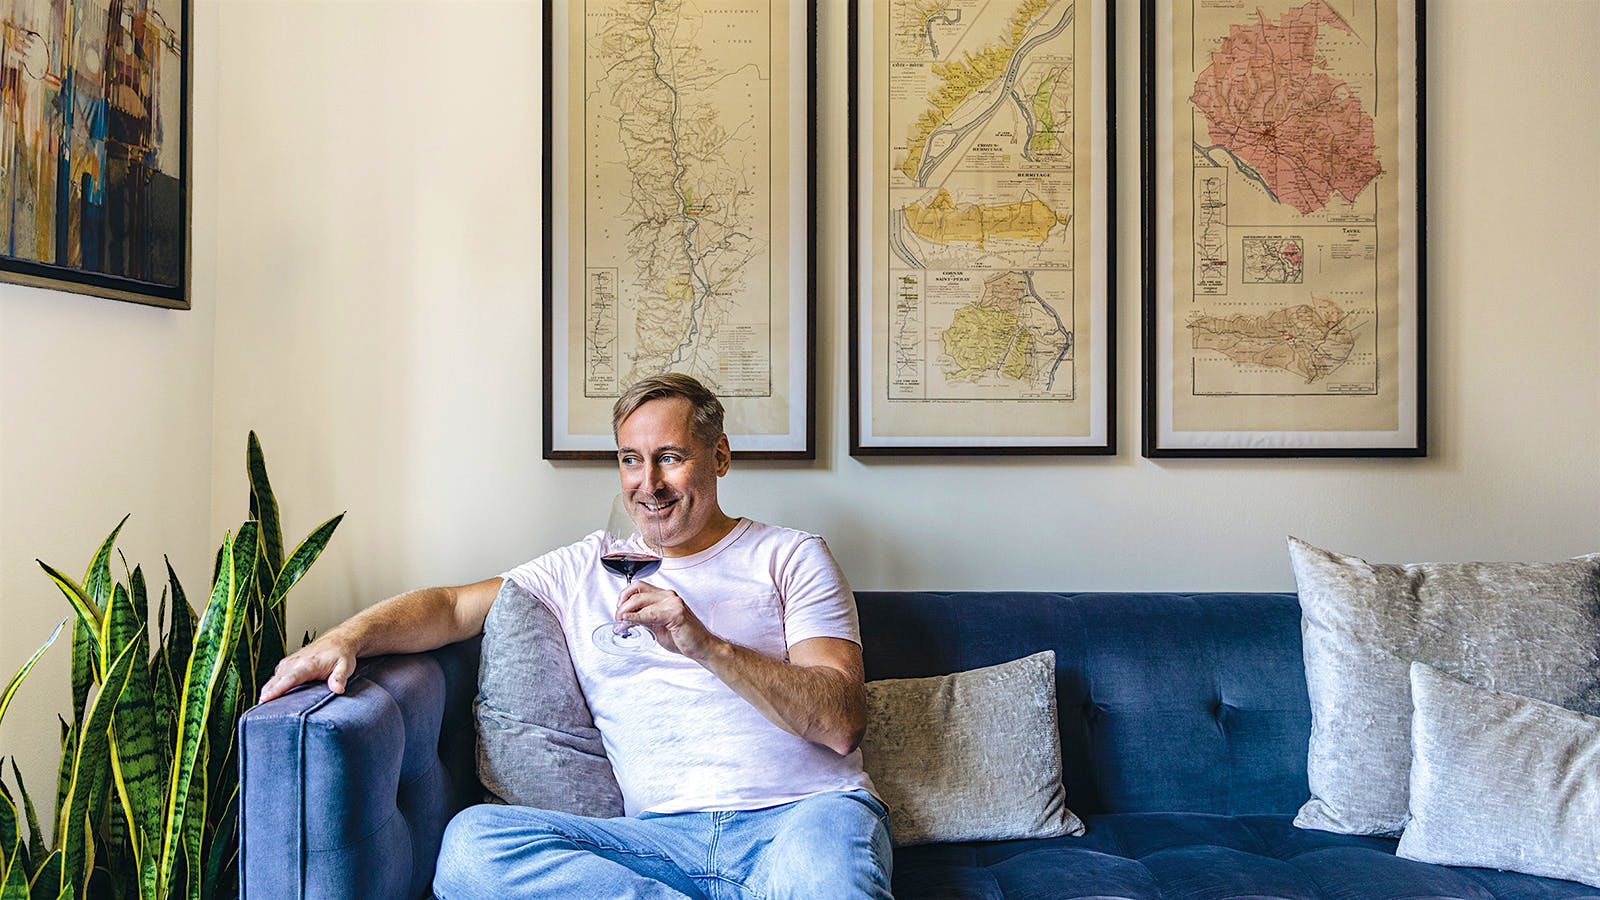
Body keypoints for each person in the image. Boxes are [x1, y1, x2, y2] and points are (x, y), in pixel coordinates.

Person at [259, 374, 893, 899]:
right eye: (630, 460)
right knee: (474, 849)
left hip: (802, 818)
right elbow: (452, 607)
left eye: (670, 457)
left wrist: (704, 644)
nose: (649, 483)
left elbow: (840, 721)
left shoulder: (791, 557)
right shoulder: (584, 567)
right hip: (657, 845)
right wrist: (347, 637)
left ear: (719, 457)